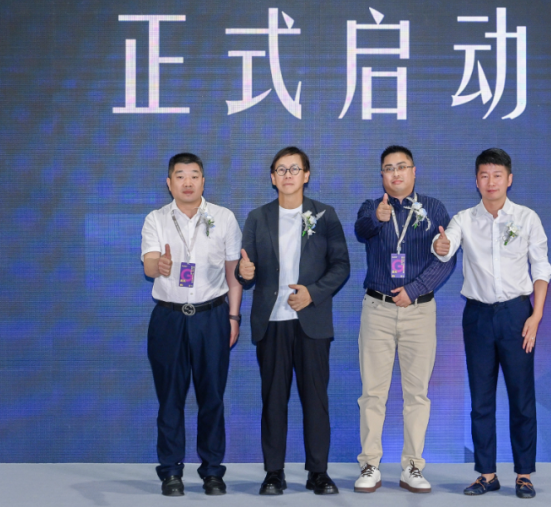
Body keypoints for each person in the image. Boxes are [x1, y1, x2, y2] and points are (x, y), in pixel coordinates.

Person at [432, 148, 550, 499]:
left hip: (517, 315)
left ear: (509, 179)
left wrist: (536, 315)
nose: (491, 182)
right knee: (481, 399)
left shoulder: (527, 218)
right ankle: (486, 474)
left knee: (521, 397)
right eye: (484, 175)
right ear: (476, 180)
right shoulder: (465, 219)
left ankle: (524, 474)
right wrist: (441, 244)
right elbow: (446, 246)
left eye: (497, 175)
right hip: (478, 317)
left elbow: (541, 268)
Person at [236, 146, 350, 496]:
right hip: (271, 321)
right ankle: (274, 473)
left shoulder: (325, 215)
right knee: (273, 400)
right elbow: (245, 270)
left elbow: (341, 265)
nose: (288, 175)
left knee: (315, 399)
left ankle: (318, 472)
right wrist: (244, 272)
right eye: (281, 170)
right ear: (273, 178)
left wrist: (312, 293)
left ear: (306, 175)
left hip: (311, 320)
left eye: (294, 169)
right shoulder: (257, 217)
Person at [141, 153, 244, 497]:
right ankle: (171, 471)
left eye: (194, 175)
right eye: (180, 176)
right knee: (169, 399)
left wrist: (233, 316)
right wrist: (160, 265)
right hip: (168, 318)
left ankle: (212, 471)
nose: (187, 182)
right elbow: (149, 263)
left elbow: (233, 273)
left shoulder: (223, 218)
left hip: (212, 317)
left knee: (212, 397)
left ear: (203, 181)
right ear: (169, 183)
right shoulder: (156, 219)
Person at [352, 145, 453, 493]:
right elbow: (361, 230)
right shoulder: (372, 207)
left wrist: (415, 288)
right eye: (388, 168)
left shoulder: (434, 208)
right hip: (377, 310)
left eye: (401, 166)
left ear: (413, 171)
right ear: (382, 175)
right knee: (372, 394)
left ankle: (412, 466)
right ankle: (370, 464)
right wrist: (376, 219)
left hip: (419, 311)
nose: (395, 173)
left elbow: (446, 257)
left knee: (417, 395)